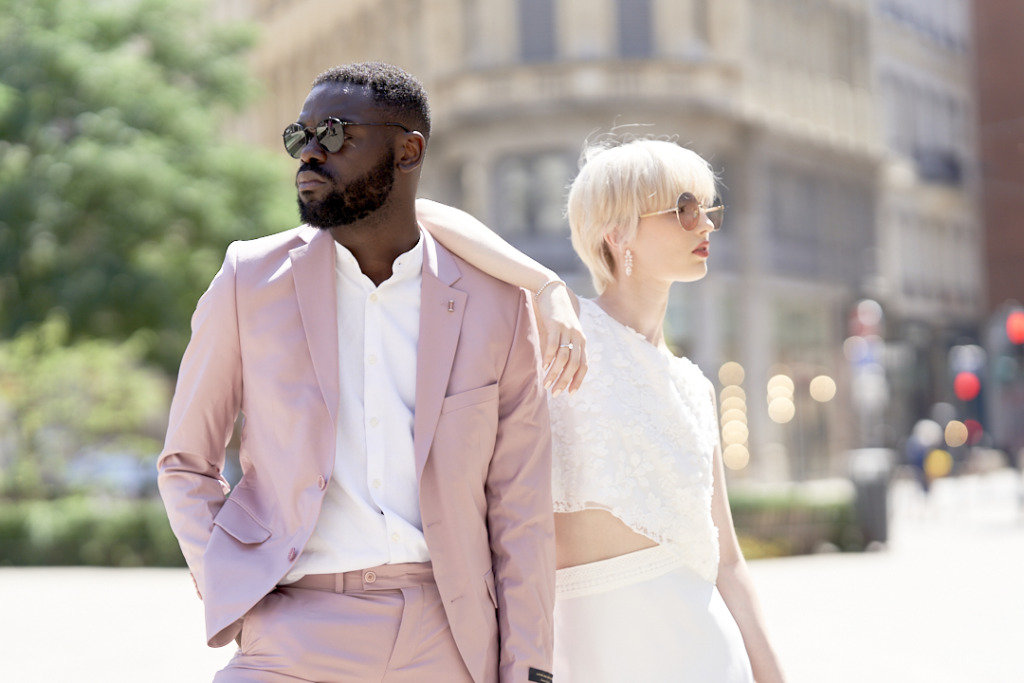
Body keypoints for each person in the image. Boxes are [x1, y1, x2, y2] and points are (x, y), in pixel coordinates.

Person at [157, 62, 556, 683]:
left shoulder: (496, 305)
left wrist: (530, 667)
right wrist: (230, 586)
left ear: (408, 150)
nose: (309, 155)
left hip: (447, 639)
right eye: (299, 137)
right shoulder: (249, 281)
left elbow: (519, 506)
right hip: (292, 632)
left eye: (335, 134)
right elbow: (186, 459)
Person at [416, 137, 785, 682]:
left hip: (704, 654)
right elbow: (421, 214)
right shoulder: (560, 334)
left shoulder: (696, 387)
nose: (705, 225)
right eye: (683, 210)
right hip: (583, 653)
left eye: (707, 210)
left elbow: (728, 562)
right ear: (619, 231)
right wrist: (543, 284)